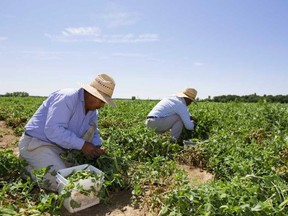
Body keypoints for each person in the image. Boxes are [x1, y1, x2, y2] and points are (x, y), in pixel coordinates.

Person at [18, 73, 116, 191]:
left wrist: (97, 146)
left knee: (76, 174)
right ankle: (27, 167)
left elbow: (94, 132)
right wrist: (83, 145)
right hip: (37, 144)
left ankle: (44, 162)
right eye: (101, 101)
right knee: (61, 182)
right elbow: (53, 130)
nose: (102, 105)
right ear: (91, 94)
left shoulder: (92, 111)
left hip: (61, 147)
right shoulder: (67, 98)